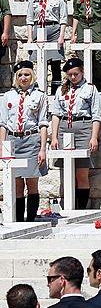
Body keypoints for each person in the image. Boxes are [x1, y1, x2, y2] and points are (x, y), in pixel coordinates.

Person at [49, 58, 101, 210]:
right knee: (67, 172)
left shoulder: (90, 89)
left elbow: (96, 115)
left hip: (83, 128)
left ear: (82, 72)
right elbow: (56, 114)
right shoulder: (61, 90)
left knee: (82, 172)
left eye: (76, 74)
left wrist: (93, 137)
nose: (73, 77)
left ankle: (81, 208)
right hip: (65, 128)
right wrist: (54, 137)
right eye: (70, 75)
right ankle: (69, 206)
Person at [0, 61, 49, 222]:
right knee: (17, 184)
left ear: (32, 76)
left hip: (31, 139)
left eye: (27, 74)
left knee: (32, 182)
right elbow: (3, 124)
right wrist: (2, 146)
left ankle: (31, 220)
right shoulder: (8, 96)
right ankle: (19, 219)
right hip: (13, 140)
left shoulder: (39, 96)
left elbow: (42, 123)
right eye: (20, 75)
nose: (23, 78)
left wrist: (42, 148)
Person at [27, 0, 67, 94]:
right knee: (38, 62)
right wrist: (29, 37)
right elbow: (30, 18)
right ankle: (39, 90)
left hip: (53, 29)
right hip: (39, 28)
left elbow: (63, 18)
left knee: (55, 64)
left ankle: (55, 92)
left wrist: (61, 36)